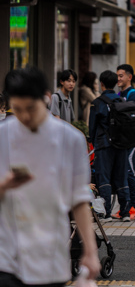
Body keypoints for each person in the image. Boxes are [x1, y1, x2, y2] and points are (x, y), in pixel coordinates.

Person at [0, 67, 99, 287]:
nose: (24, 116)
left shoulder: (71, 139)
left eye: (30, 109)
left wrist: (90, 252)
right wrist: (4, 185)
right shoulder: (3, 135)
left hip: (49, 253)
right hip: (6, 253)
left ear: (46, 98)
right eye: (17, 109)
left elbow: (80, 199)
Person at [89, 69, 131, 220]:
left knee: (104, 178)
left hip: (104, 145)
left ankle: (105, 212)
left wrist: (94, 143)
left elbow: (92, 127)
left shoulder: (97, 103)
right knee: (121, 177)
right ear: (115, 83)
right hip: (121, 145)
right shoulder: (122, 102)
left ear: (102, 84)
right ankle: (125, 212)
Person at [116, 63, 135, 220]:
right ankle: (125, 208)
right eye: (117, 75)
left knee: (129, 173)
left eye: (121, 76)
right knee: (122, 174)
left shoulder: (133, 94)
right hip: (121, 140)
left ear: (129, 77)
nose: (118, 78)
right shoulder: (120, 94)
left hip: (130, 141)